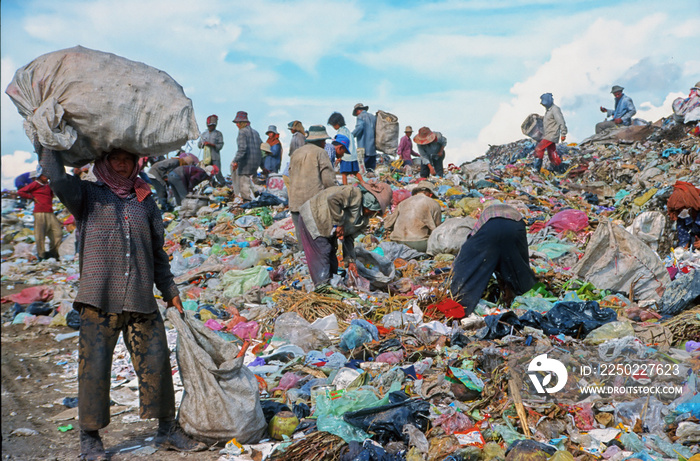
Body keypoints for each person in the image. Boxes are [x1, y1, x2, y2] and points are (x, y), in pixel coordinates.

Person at [37, 145, 207, 460]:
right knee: (94, 370)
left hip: (141, 297)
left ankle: (166, 430)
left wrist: (171, 292)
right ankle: (90, 438)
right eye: (115, 159)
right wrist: (47, 143)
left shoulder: (146, 201)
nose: (121, 164)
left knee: (157, 363)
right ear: (103, 161)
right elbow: (57, 178)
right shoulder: (86, 195)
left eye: (127, 160)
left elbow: (158, 253)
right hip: (97, 299)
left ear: (136, 164)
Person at [298, 182, 392, 286]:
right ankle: (322, 289)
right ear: (369, 202)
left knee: (332, 259)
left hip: (328, 226)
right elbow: (333, 200)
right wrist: (339, 223)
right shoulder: (353, 194)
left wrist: (350, 261)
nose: (373, 213)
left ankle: (331, 286)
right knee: (323, 253)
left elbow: (349, 237)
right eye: (373, 210)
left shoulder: (363, 220)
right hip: (314, 216)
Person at [450, 202, 536, 313]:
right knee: (518, 265)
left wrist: (457, 271)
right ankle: (526, 298)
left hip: (490, 229)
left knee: (472, 266)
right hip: (515, 228)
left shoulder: (483, 221)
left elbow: (468, 250)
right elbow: (521, 258)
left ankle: (464, 303)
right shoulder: (514, 216)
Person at [288, 125, 336, 233]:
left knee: (302, 239)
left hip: (295, 203)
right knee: (315, 240)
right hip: (312, 205)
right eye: (324, 141)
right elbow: (328, 180)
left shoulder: (296, 153)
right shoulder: (320, 153)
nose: (324, 144)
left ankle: (302, 250)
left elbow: (290, 176)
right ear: (320, 141)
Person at [18, 166, 63, 260]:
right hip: (39, 212)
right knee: (40, 235)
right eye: (43, 175)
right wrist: (32, 198)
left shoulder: (48, 185)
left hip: (50, 212)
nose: (46, 176)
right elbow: (21, 192)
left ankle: (53, 253)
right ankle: (42, 255)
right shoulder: (35, 184)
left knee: (57, 233)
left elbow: (51, 195)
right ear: (39, 175)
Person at [384, 181, 442, 253]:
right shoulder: (433, 203)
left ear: (416, 192)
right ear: (429, 193)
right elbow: (437, 229)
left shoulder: (403, 203)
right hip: (419, 244)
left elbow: (388, 224)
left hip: (397, 242)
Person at [231, 111, 263, 202]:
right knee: (250, 182)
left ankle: (247, 202)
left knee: (243, 185)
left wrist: (235, 161)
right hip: (255, 163)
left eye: (238, 123)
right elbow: (261, 147)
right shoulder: (256, 133)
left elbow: (242, 149)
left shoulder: (242, 132)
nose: (237, 125)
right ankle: (255, 194)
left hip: (246, 163)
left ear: (242, 123)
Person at [535, 93, 567, 173]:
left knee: (539, 149)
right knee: (551, 152)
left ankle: (536, 169)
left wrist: (563, 133)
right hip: (548, 134)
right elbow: (548, 120)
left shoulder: (555, 109)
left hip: (552, 135)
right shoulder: (548, 110)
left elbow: (561, 121)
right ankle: (559, 168)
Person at [667, 181, 700, 250]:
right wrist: (684, 246)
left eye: (682, 209)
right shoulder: (682, 216)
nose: (681, 212)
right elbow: (683, 233)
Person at [197, 115, 226, 186]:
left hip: (215, 156)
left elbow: (220, 145)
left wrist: (211, 144)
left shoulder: (218, 134)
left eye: (213, 125)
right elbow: (199, 145)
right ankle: (211, 184)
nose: (211, 127)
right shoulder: (204, 134)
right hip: (206, 158)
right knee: (207, 172)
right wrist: (203, 144)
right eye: (210, 125)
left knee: (217, 172)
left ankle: (223, 184)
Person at [351, 103, 377, 172]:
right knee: (371, 171)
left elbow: (360, 127)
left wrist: (351, 135)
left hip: (364, 150)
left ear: (358, 111)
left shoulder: (360, 117)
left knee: (363, 171)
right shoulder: (373, 117)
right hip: (373, 150)